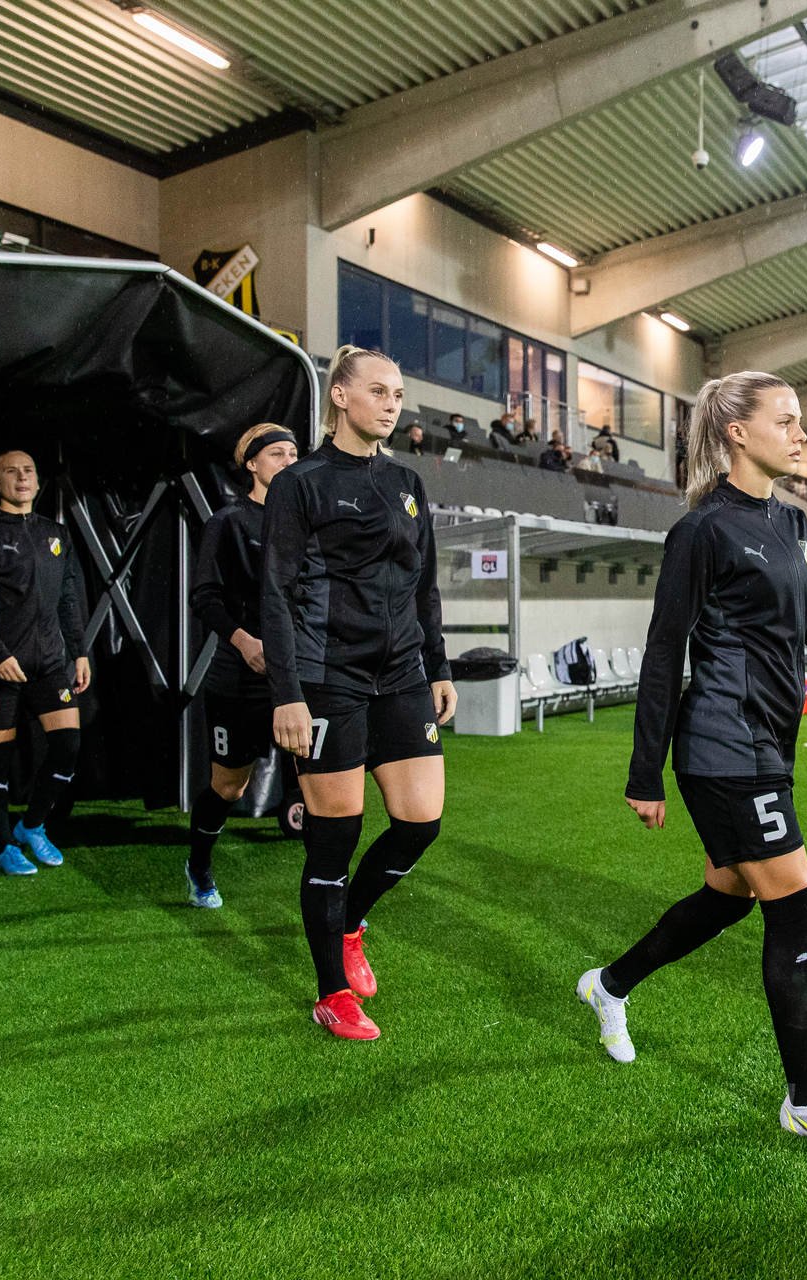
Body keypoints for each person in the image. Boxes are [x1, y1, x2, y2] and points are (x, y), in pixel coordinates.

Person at [577, 370, 807, 1159]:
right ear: (737, 431)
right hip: (721, 743)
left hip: (769, 740)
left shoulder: (794, 525)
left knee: (731, 895)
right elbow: (665, 650)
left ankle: (609, 985)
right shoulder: (701, 532)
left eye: (801, 420)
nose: (801, 433)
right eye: (787, 420)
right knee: (793, 901)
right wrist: (645, 773)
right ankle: (806, 1098)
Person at [262, 345, 457, 1042]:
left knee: (420, 821)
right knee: (333, 841)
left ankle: (351, 921)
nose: (392, 401)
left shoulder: (406, 480)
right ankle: (331, 993)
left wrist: (439, 667)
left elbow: (424, 585)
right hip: (326, 680)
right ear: (340, 397)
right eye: (378, 390)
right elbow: (277, 593)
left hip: (401, 674)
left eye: (398, 392)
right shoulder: (301, 483)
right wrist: (288, 693)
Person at [0, 448, 91, 876]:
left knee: (67, 746)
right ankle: (4, 846)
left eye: (29, 470)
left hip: (49, 662)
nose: (22, 477)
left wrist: (80, 651)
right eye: (11, 472)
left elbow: (68, 598)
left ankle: (32, 825)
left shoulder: (55, 533)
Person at [186, 422, 301, 909]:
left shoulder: (307, 523)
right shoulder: (228, 522)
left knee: (321, 782)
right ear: (251, 464)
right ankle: (198, 866)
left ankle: (330, 904)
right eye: (277, 454)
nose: (289, 462)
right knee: (230, 785)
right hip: (241, 678)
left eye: (295, 454)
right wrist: (243, 641)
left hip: (298, 678)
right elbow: (205, 597)